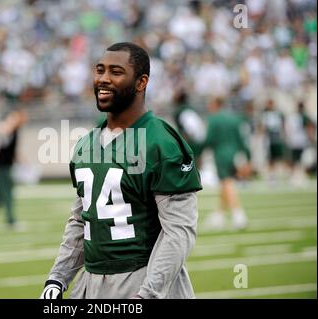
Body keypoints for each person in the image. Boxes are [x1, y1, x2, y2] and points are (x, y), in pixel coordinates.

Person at [40, 42, 202, 299]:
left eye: (116, 72)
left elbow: (178, 232)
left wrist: (147, 294)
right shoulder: (87, 144)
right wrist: (57, 278)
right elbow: (81, 220)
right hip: (92, 284)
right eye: (100, 70)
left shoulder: (161, 142)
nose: (103, 79)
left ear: (141, 82)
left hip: (141, 278)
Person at [201, 97, 251, 231]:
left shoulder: (214, 119)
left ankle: (239, 215)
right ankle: (219, 215)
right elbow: (242, 140)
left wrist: (197, 149)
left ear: (215, 104)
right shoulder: (234, 119)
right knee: (225, 184)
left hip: (221, 154)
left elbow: (209, 139)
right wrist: (248, 157)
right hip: (235, 154)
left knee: (227, 183)